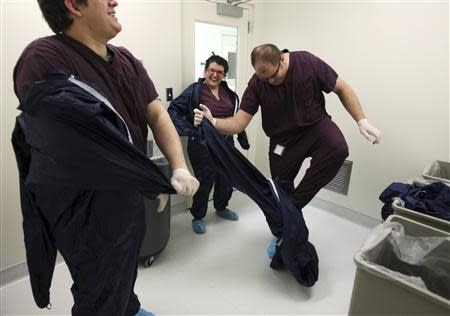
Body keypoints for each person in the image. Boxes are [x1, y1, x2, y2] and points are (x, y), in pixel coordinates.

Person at [13, 0, 198, 315]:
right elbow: (69, 138)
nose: (115, 1)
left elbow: (154, 111)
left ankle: (129, 307)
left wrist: (178, 167)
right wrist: (146, 179)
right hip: (87, 211)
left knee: (124, 269)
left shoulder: (126, 60)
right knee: (98, 292)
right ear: (73, 5)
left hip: (128, 196)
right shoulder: (45, 57)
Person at [193, 44, 381, 256]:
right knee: (279, 189)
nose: (270, 82)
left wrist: (361, 120)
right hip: (282, 140)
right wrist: (214, 122)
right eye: (264, 79)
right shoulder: (258, 83)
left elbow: (342, 88)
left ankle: (293, 206)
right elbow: (239, 123)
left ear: (282, 60)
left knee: (337, 148)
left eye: (273, 77)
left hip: (315, 126)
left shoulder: (307, 63)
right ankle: (281, 232)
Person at [168, 55, 250, 234]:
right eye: (212, 70)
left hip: (227, 145)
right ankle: (198, 215)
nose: (215, 75)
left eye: (220, 72)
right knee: (205, 181)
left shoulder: (230, 94)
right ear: (205, 71)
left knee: (227, 178)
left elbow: (236, 119)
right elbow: (172, 110)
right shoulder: (195, 91)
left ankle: (221, 207)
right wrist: (190, 129)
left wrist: (243, 140)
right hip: (202, 146)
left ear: (224, 75)